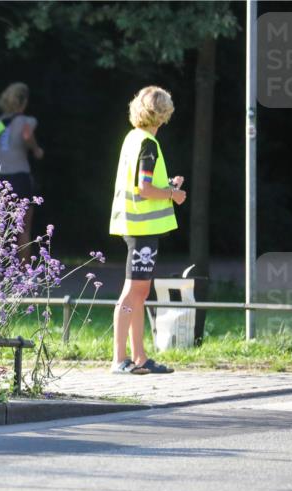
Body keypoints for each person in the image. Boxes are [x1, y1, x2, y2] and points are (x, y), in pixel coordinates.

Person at [109, 85, 186, 375]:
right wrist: (173, 195)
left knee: (140, 292)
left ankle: (139, 356)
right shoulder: (149, 144)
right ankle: (119, 359)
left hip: (134, 223)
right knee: (133, 291)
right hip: (142, 227)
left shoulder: (133, 138)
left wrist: (168, 186)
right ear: (162, 115)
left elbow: (142, 182)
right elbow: (145, 187)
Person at [0, 82, 43, 260]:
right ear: (24, 102)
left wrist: (0, 151)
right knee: (23, 229)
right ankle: (24, 275)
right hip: (19, 177)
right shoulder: (28, 121)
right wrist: (36, 150)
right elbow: (26, 136)